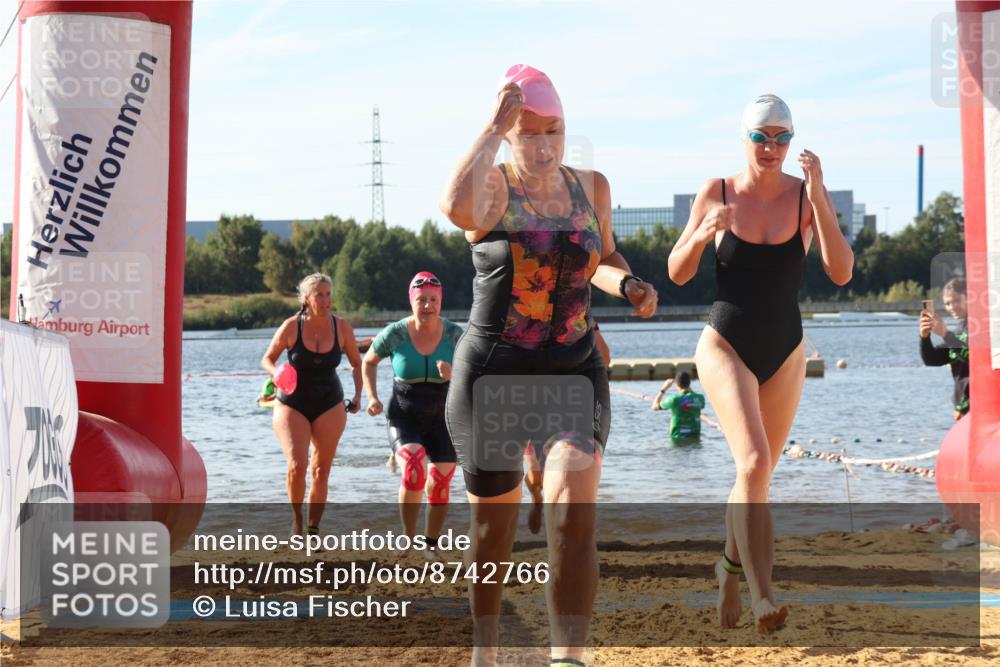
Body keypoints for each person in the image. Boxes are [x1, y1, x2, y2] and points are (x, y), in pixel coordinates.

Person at [439, 63, 658, 666]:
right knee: (492, 533)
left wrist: (629, 284)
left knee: (571, 502)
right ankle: (486, 647)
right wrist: (489, 126)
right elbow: (454, 209)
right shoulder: (492, 186)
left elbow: (604, 255)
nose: (543, 144)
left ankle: (570, 658)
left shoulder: (593, 187)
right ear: (509, 136)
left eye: (554, 130)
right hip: (493, 374)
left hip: (573, 368)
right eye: (527, 131)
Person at [667, 94, 853, 633]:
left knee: (758, 475)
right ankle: (763, 596)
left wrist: (819, 198)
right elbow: (678, 273)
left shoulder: (804, 198)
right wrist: (704, 232)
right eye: (760, 137)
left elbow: (840, 273)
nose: (771, 148)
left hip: (786, 348)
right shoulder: (717, 190)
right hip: (725, 341)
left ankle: (728, 569)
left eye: (781, 138)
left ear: (792, 141)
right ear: (744, 136)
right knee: (751, 462)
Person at [363, 272, 464, 556]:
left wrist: (454, 374)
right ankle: (407, 539)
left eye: (433, 300)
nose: (428, 306)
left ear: (440, 302)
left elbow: (477, 372)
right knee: (414, 467)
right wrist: (371, 397)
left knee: (441, 480)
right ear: (412, 301)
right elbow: (368, 362)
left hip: (443, 417)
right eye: (421, 300)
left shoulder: (456, 334)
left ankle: (430, 544)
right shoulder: (395, 333)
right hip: (404, 414)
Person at [261, 273, 363, 536]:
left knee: (321, 469)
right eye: (319, 294)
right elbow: (267, 359)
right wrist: (275, 373)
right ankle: (296, 521)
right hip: (291, 402)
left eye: (328, 294)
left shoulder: (341, 327)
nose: (326, 300)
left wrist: (360, 395)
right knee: (297, 464)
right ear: (306, 298)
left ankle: (313, 528)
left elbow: (356, 363)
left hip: (329, 402)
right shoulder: (291, 326)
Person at [919, 277, 970, 420]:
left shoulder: (982, 325)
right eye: (948, 303)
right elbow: (932, 359)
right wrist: (925, 337)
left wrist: (946, 334)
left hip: (980, 405)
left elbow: (973, 356)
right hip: (964, 408)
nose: (952, 307)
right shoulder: (960, 328)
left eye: (956, 301)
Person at [651, 371, 707, 445]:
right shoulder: (700, 398)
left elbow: (654, 407)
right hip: (695, 437)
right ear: (689, 383)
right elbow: (693, 397)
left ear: (677, 384)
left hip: (677, 438)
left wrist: (664, 389)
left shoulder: (674, 399)